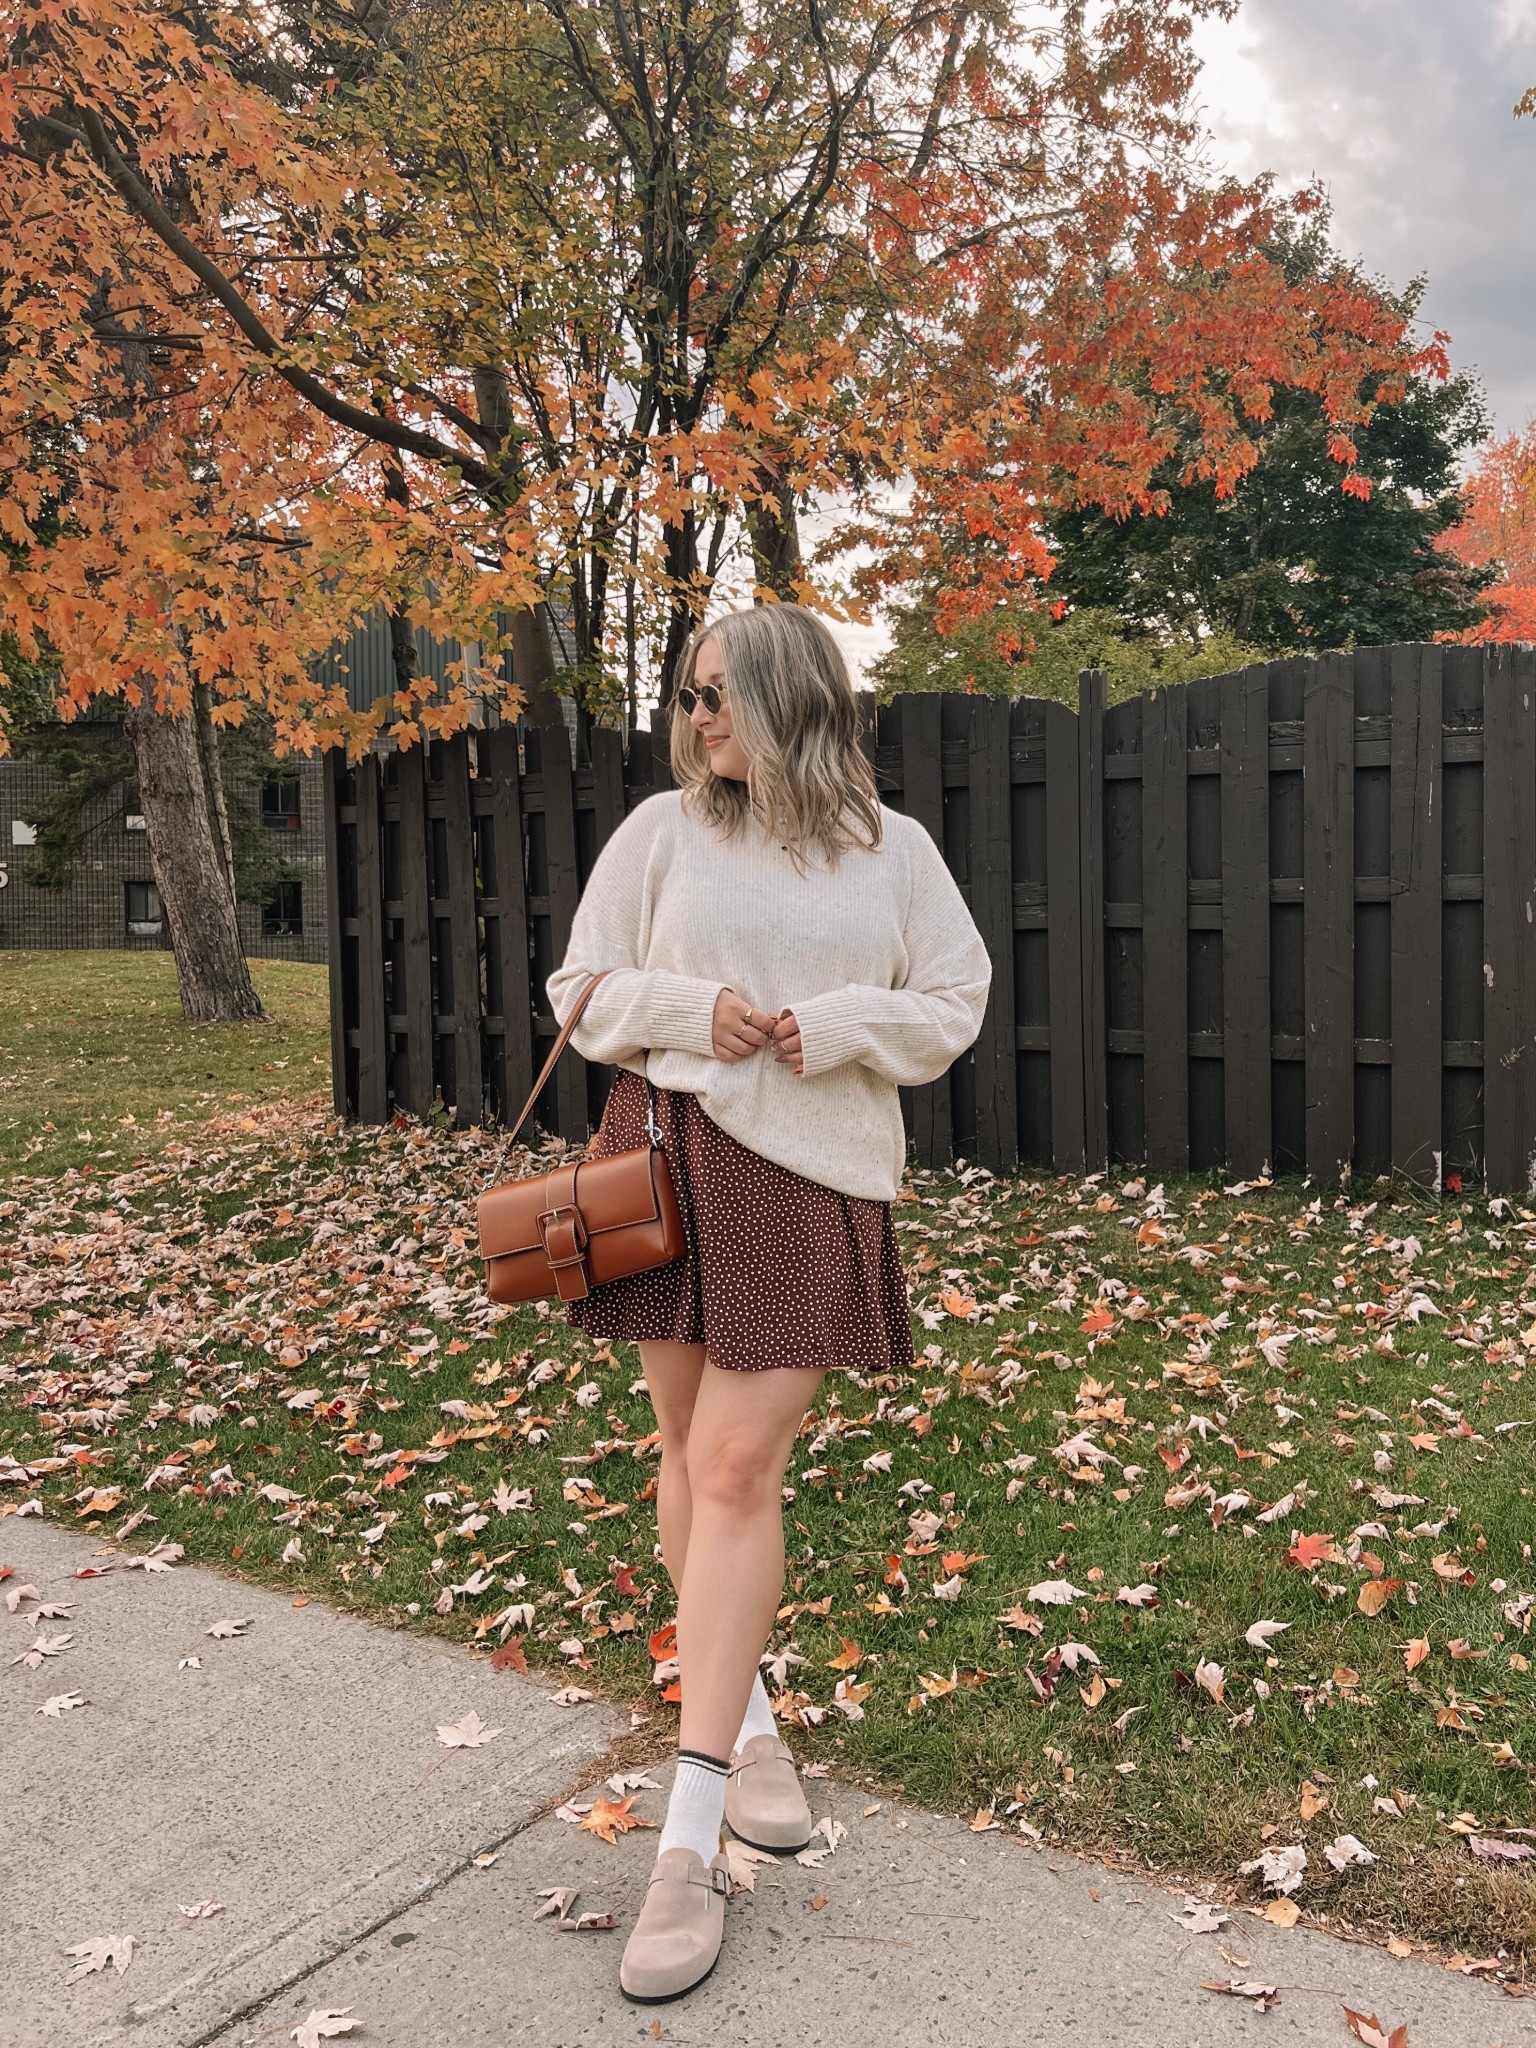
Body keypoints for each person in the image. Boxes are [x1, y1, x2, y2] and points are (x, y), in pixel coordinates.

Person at [545, 603, 991, 2003]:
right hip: (662, 1157)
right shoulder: (661, 834)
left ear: (792, 697)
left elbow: (954, 1001)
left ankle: (683, 1844)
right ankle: (743, 1728)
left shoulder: (894, 853)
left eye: (716, 694)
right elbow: (581, 988)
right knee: (686, 1456)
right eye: (684, 695)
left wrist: (834, 1024)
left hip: (813, 1178)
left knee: (738, 1463)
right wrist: (695, 1009)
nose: (694, 717)